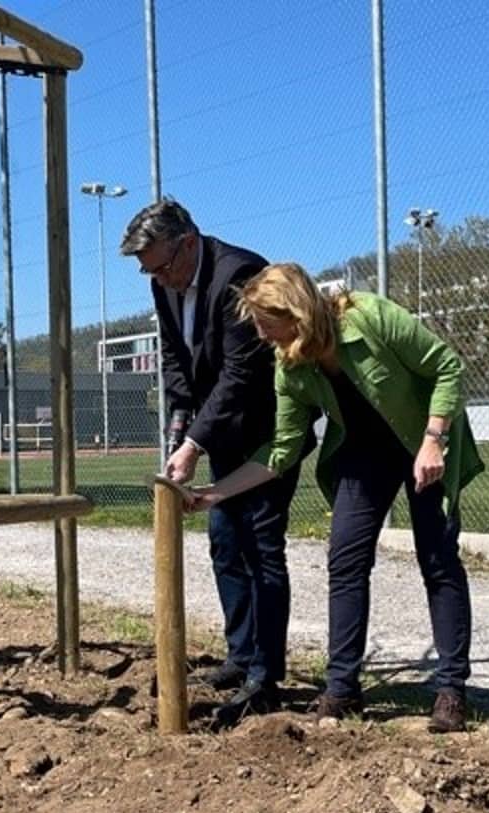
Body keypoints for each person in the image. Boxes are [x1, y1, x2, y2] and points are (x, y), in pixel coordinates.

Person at [190, 262, 484, 732]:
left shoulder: (369, 317)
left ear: (296, 314)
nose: (263, 337)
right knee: (344, 560)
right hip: (364, 454)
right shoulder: (290, 366)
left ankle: (451, 690)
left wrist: (434, 438)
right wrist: (214, 494)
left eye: (268, 325)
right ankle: (343, 689)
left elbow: (446, 366)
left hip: (421, 440)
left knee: (437, 558)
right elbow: (281, 451)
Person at [120, 200, 308, 729]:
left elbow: (241, 374)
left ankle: (266, 678)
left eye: (159, 266)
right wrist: (180, 423)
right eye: (148, 271)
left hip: (268, 434)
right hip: (220, 433)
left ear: (187, 243)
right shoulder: (165, 282)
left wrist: (194, 445)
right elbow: (177, 358)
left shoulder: (238, 275)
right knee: (225, 542)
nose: (155, 278)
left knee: (262, 547)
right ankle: (241, 656)